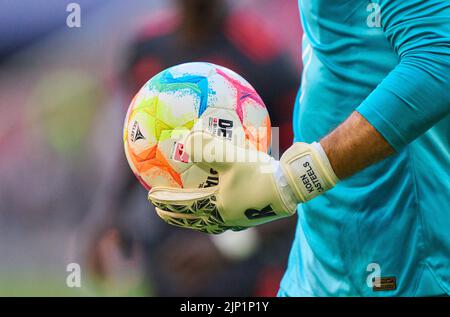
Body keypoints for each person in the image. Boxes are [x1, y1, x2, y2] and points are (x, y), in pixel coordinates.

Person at [149, 0, 450, 296]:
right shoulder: (148, 45)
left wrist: (294, 180)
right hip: (319, 256)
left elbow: (439, 59)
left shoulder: (260, 57)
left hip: (395, 253)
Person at [83, 0, 299, 296]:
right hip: (166, 247)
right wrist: (108, 217)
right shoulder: (146, 50)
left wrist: (227, 246)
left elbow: (291, 182)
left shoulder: (264, 62)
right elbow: (137, 141)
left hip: (243, 263)